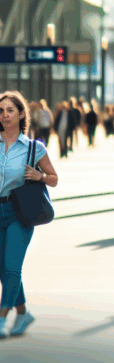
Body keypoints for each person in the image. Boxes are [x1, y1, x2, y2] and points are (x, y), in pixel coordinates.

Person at [0, 91, 59, 337]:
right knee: (4, 269)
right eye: (1, 111)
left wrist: (39, 176)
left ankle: (2, 319)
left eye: (10, 110)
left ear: (22, 113)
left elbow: (54, 179)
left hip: (19, 212)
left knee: (12, 267)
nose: (4, 115)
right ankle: (23, 313)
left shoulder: (34, 148)